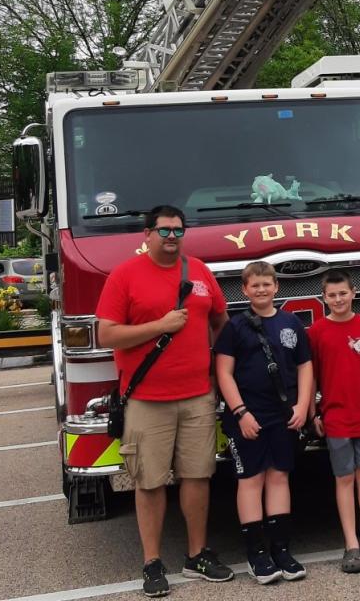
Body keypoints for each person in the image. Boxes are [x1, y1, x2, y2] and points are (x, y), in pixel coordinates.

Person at [95, 205, 233, 598]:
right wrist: (162, 326)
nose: (172, 238)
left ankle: (196, 555)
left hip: (197, 398)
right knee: (151, 482)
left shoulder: (201, 272)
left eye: (178, 231)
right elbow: (106, 335)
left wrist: (218, 369)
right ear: (147, 235)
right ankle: (153, 562)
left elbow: (220, 321)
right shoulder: (125, 275)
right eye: (164, 231)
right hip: (146, 399)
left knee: (197, 476)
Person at [214, 261, 314, 584]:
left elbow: (305, 367)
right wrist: (241, 412)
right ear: (244, 290)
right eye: (254, 285)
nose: (261, 290)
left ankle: (281, 549)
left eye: (266, 284)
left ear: (276, 287)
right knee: (251, 479)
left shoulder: (292, 323)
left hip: (282, 415)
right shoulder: (235, 327)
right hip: (247, 417)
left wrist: (302, 405)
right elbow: (223, 372)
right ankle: (256, 553)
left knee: (279, 477)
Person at [308, 269, 360, 573]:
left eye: (343, 293)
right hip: (336, 415)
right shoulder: (316, 332)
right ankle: (351, 545)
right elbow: (311, 377)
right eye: (332, 295)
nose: (338, 299)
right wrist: (315, 412)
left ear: (353, 293)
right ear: (324, 298)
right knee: (343, 478)